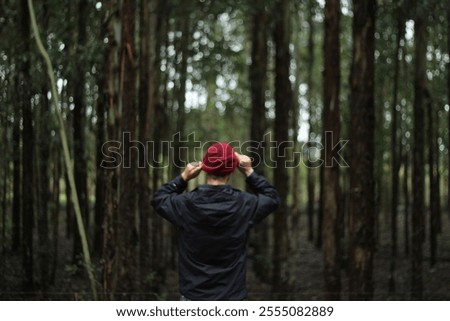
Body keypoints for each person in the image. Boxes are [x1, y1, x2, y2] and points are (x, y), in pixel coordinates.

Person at [151, 142, 280, 300]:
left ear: (204, 168)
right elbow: (272, 198)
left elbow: (159, 199)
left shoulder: (186, 204)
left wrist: (183, 177)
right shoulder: (244, 204)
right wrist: (249, 172)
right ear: (233, 169)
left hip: (193, 299)